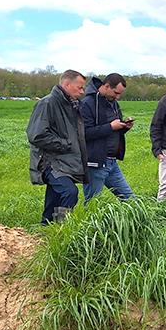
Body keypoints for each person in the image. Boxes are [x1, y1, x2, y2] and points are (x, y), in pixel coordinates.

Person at [26, 69, 88, 225]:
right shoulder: (47, 103)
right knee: (69, 192)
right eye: (79, 87)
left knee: (54, 196)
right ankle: (61, 228)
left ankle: (45, 227)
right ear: (67, 84)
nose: (83, 92)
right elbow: (36, 135)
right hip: (49, 162)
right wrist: (65, 144)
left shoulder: (72, 105)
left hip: (64, 162)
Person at [81, 73, 135, 204]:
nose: (118, 97)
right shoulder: (87, 103)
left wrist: (124, 126)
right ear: (106, 86)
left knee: (131, 201)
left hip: (111, 162)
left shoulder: (113, 103)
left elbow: (113, 130)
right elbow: (84, 133)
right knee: (93, 204)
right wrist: (111, 127)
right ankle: (90, 224)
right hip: (94, 162)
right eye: (116, 93)